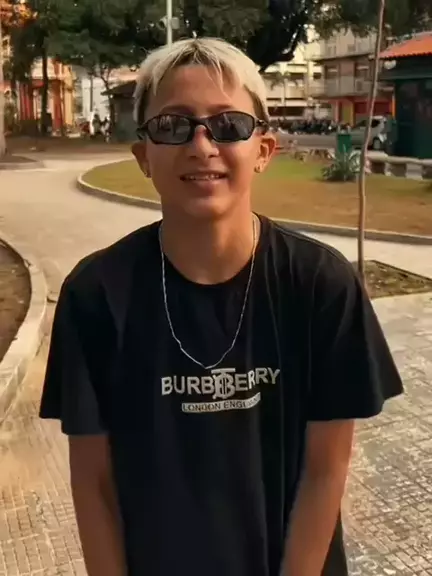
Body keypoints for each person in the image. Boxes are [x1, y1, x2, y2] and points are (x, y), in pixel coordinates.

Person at [39, 37, 403, 576]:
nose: (201, 144)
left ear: (264, 150)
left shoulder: (320, 284)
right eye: (173, 125)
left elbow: (326, 469)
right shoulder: (96, 294)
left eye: (228, 124)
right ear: (144, 156)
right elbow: (93, 483)